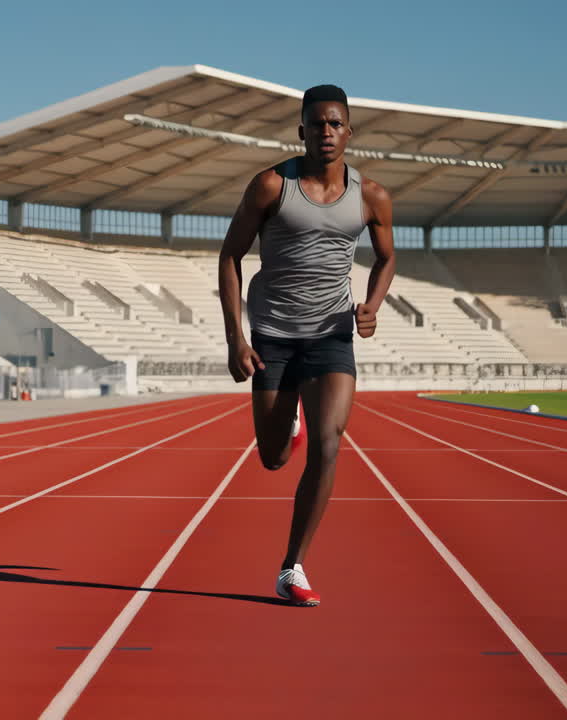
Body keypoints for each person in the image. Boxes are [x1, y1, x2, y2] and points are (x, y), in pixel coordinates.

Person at [218, 84, 395, 607]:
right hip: (273, 333)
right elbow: (230, 257)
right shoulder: (272, 185)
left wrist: (373, 304)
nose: (326, 132)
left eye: (335, 123)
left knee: (330, 442)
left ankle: (292, 566)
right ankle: (286, 427)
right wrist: (236, 338)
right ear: (301, 131)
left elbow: (386, 258)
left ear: (349, 132)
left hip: (331, 334)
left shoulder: (371, 197)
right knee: (273, 458)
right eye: (316, 124)